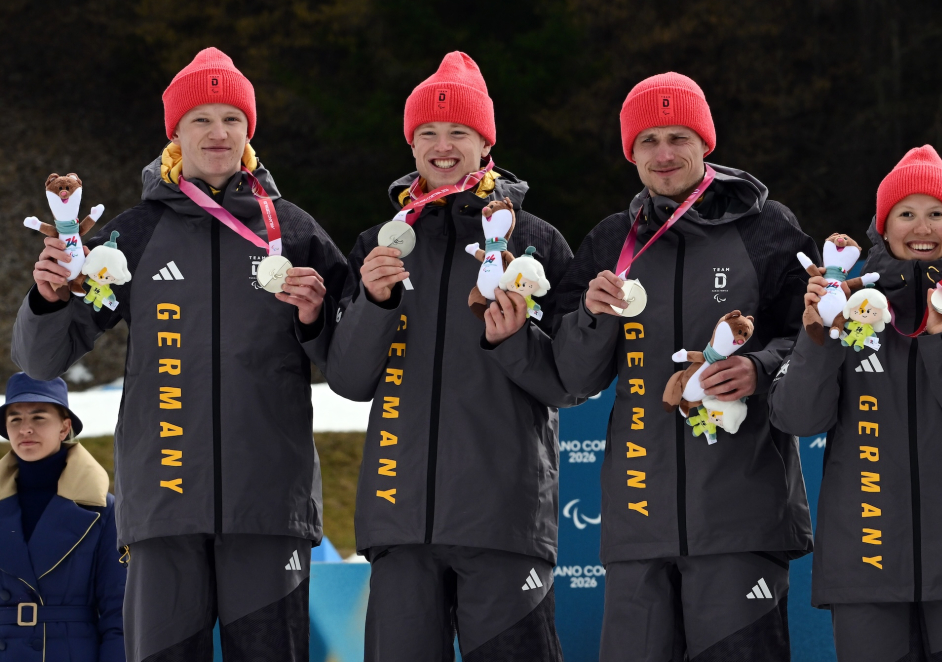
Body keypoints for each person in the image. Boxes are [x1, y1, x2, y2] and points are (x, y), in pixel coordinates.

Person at [13, 47, 347, 661]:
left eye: (232, 118)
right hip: (164, 506)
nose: (218, 132)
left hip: (268, 509)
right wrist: (47, 299)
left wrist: (316, 317)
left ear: (249, 131)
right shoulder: (135, 235)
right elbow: (44, 360)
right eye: (201, 119)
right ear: (176, 133)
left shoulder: (294, 232)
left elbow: (351, 365)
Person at [549, 72, 816, 660]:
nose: (664, 153)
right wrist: (591, 317)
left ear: (704, 142)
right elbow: (573, 378)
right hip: (638, 520)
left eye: (678, 137)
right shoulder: (611, 240)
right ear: (631, 152)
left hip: (738, 518)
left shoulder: (767, 227)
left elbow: (816, 335)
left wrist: (761, 368)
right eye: (648, 140)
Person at [324, 52, 578, 661]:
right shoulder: (379, 244)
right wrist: (376, 304)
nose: (443, 146)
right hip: (400, 522)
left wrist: (512, 339)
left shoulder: (535, 242)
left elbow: (568, 383)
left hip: (503, 522)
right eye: (428, 133)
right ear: (411, 145)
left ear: (486, 143)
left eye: (459, 131)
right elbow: (349, 380)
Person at [769, 146, 942, 661]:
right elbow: (797, 417)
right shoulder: (847, 305)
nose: (921, 228)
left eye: (936, 213)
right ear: (882, 229)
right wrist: (818, 338)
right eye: (905, 214)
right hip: (864, 565)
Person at [0, 374, 123, 660]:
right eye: (15, 419)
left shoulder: (103, 511)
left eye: (39, 417)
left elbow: (120, 612)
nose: (25, 428)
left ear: (64, 427)